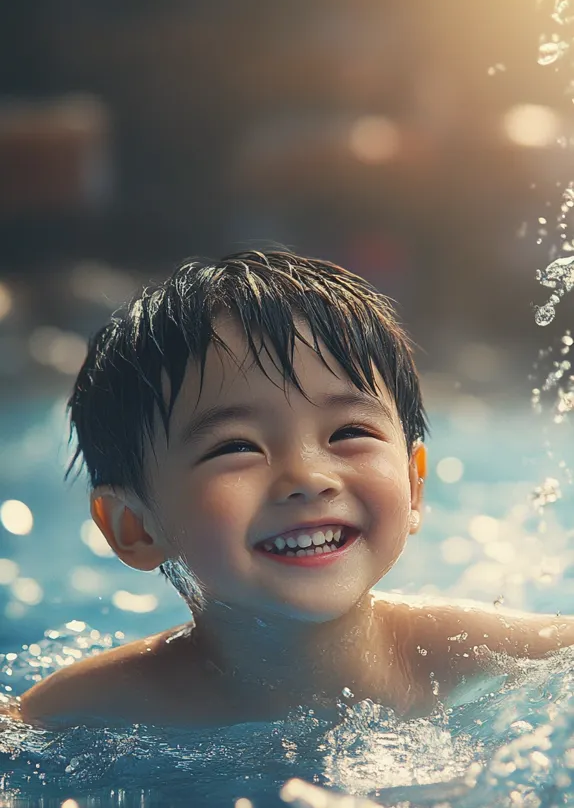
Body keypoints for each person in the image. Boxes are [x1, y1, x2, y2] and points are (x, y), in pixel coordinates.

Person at [15, 249, 574, 728]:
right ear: (133, 526)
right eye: (237, 447)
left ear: (412, 483)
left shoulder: (478, 655)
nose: (308, 477)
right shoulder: (92, 706)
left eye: (349, 432)